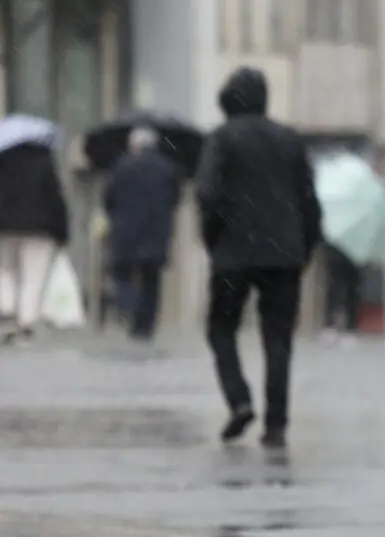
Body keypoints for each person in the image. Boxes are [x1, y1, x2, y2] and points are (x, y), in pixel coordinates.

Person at [196, 67, 322, 448]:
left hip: (233, 254)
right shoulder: (289, 140)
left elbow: (206, 194)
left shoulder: (222, 139)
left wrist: (214, 239)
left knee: (221, 329)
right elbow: (309, 203)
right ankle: (276, 424)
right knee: (278, 339)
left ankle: (239, 401)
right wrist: (304, 250)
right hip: (284, 255)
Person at [104, 126, 182, 341]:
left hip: (126, 229)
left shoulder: (121, 165)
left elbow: (109, 198)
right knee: (152, 280)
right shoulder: (167, 167)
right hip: (156, 230)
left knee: (123, 273)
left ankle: (129, 306)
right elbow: (175, 199)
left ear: (134, 145)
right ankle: (145, 325)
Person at [0, 115, 68, 346]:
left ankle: (7, 309)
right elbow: (55, 199)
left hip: (4, 227)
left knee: (5, 269)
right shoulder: (44, 162)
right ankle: (26, 321)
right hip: (40, 229)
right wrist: (62, 232)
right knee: (33, 276)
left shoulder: (2, 162)